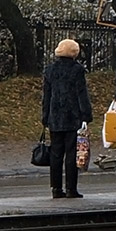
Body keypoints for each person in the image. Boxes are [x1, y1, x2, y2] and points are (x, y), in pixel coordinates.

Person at [42, 38, 93, 199]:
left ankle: (56, 188)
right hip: (72, 117)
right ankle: (71, 188)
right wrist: (86, 115)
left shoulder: (50, 70)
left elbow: (46, 96)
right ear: (74, 53)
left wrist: (45, 116)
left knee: (56, 154)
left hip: (55, 117)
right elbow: (81, 94)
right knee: (71, 154)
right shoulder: (77, 70)